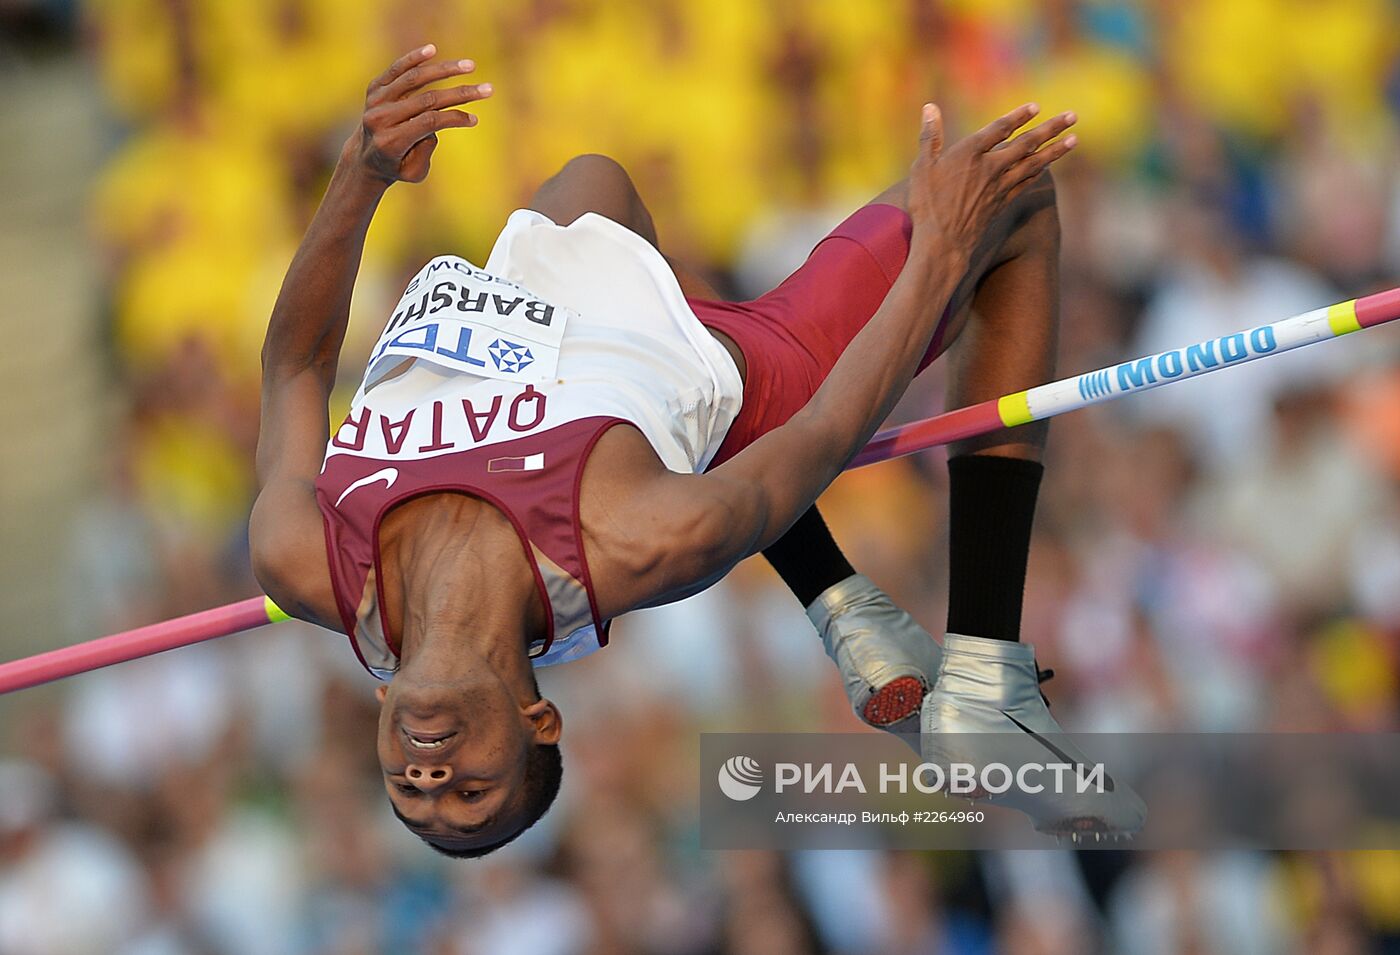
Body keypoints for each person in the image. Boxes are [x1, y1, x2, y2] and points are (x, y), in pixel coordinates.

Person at [250, 44, 1141, 857]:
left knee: (590, 182)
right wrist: (938, 257)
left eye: (407, 788)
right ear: (537, 718)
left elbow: (295, 365)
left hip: (586, 289)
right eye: (473, 787)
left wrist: (361, 174)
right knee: (1014, 195)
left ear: (379, 713)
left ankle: (849, 609)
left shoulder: (306, 558)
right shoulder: (630, 539)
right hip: (752, 371)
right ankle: (987, 677)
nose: (432, 774)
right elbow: (821, 434)